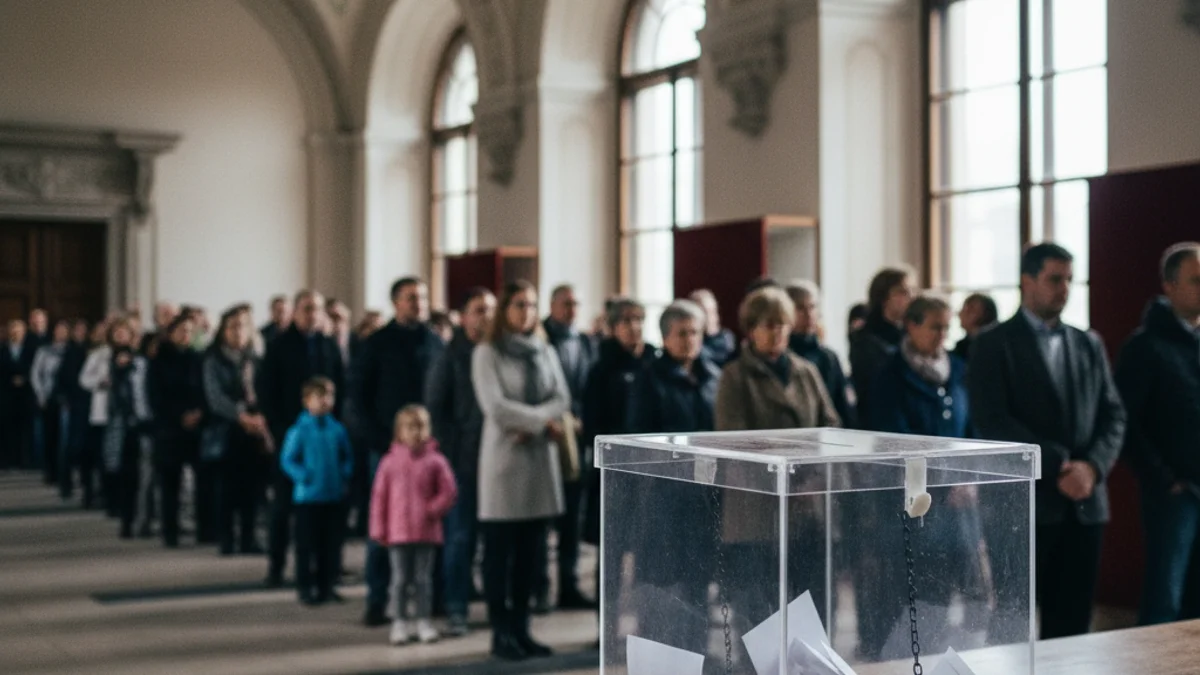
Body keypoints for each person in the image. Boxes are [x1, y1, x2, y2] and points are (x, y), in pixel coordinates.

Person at [969, 243, 1126, 639]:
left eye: (1069, 280)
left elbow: (1114, 414)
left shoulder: (1087, 342)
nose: (1064, 289)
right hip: (1025, 504)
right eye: (1055, 279)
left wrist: (1092, 467)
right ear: (1027, 281)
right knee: (1012, 622)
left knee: (1073, 624)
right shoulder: (992, 343)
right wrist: (1059, 464)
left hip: (1084, 503)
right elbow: (993, 421)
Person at [867, 295, 986, 657]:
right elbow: (893, 438)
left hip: (958, 503)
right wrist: (943, 484)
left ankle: (939, 657)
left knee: (950, 589)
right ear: (912, 325)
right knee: (911, 592)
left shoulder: (959, 369)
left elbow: (972, 428)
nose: (942, 336)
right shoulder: (890, 374)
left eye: (946, 327)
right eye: (935, 327)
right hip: (910, 504)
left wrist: (968, 476)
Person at [714, 287, 840, 629]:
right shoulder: (735, 376)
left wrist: (811, 478)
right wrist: (784, 480)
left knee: (811, 600)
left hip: (808, 501)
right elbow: (735, 442)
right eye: (769, 325)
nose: (777, 333)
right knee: (759, 608)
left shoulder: (806, 370)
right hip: (757, 507)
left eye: (783, 325)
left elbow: (830, 425)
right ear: (750, 329)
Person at [471, 280, 571, 660]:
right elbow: (495, 406)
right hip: (504, 464)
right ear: (504, 311)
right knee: (500, 556)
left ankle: (523, 629)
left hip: (538, 461)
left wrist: (536, 423)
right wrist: (541, 421)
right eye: (518, 305)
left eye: (531, 305)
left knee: (531, 557)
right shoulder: (487, 352)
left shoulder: (543, 349)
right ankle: (501, 632)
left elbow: (561, 396)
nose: (526, 312)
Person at [624, 299, 720, 654]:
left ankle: (695, 650)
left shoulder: (713, 375)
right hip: (665, 498)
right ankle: (662, 653)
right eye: (682, 333)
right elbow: (638, 436)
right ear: (665, 337)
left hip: (706, 496)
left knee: (698, 581)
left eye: (695, 332)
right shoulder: (649, 380)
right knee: (664, 583)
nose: (691, 340)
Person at [1116, 243, 1200, 625]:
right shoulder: (1145, 346)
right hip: (1174, 495)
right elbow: (1125, 423)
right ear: (1169, 285)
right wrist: (1165, 480)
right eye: (1197, 281)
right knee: (1165, 600)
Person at [356, 277, 445, 626]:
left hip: (429, 453)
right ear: (396, 303)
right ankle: (378, 600)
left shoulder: (436, 342)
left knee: (429, 527)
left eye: (422, 296)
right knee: (385, 528)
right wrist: (380, 442)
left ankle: (430, 599)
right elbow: (359, 398)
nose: (418, 303)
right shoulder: (376, 344)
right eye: (411, 298)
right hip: (388, 452)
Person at [258, 290, 345, 588]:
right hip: (292, 435)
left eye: (318, 309)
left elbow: (342, 387)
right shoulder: (280, 346)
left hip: (326, 437)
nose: (313, 314)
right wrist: (282, 430)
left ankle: (325, 571)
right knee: (283, 508)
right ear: (295, 312)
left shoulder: (328, 345)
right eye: (307, 309)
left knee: (326, 513)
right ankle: (276, 566)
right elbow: (266, 391)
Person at [426, 287, 496, 636]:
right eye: (479, 309)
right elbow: (436, 411)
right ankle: (455, 606)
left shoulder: (497, 352)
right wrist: (453, 457)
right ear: (464, 316)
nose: (486, 316)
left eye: (490, 309)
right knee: (460, 537)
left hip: (497, 461)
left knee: (492, 539)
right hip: (462, 462)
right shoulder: (450, 355)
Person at [370, 405, 457, 645]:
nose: (416, 432)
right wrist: (378, 529)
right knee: (399, 580)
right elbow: (379, 498)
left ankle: (423, 620)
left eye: (421, 427)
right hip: (397, 534)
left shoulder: (437, 461)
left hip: (426, 532)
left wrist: (432, 510)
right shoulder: (388, 463)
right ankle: (399, 621)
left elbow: (449, 491)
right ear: (399, 432)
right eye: (410, 427)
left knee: (423, 580)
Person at [581, 298, 659, 560]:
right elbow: (593, 422)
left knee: (648, 544)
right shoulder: (601, 370)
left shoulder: (653, 362)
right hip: (615, 467)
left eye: (639, 320)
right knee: (612, 544)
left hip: (650, 467)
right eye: (627, 320)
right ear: (613, 327)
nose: (634, 326)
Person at [538, 284, 596, 611]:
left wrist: (582, 418)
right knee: (544, 519)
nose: (572, 309)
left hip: (578, 437)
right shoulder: (541, 339)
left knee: (573, 518)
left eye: (576, 303)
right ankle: (539, 587)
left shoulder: (584, 341)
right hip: (548, 435)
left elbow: (587, 388)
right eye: (566, 303)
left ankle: (569, 584)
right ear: (552, 305)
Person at [202, 308, 271, 556]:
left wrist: (260, 416)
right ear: (224, 330)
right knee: (227, 490)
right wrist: (240, 416)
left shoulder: (257, 360)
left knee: (253, 488)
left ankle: (249, 537)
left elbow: (265, 391)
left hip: (254, 431)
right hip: (227, 431)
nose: (238, 331)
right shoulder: (213, 360)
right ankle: (227, 538)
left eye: (243, 326)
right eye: (233, 326)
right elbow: (215, 398)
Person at [280, 376, 354, 606]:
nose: (324, 402)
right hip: (308, 498)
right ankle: (305, 586)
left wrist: (344, 474)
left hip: (332, 495)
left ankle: (327, 585)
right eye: (319, 397)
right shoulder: (299, 430)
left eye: (328, 397)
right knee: (306, 545)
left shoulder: (337, 429)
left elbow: (347, 455)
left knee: (330, 545)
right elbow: (288, 459)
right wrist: (304, 476)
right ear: (307, 401)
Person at [149, 314, 206, 548]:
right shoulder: (159, 360)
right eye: (181, 330)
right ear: (171, 333)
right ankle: (170, 531)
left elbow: (204, 390)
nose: (185, 335)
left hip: (196, 427)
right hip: (169, 429)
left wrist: (198, 413)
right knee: (170, 483)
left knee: (202, 482)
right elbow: (155, 396)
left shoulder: (198, 359)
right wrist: (179, 416)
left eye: (189, 331)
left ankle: (204, 529)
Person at [80, 319, 139, 516]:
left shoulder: (136, 355)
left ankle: (124, 502)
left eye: (125, 332)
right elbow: (84, 380)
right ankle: (108, 498)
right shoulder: (100, 355)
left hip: (129, 414)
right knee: (108, 458)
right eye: (117, 332)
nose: (121, 336)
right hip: (106, 412)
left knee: (127, 460)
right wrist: (101, 381)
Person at [850, 267, 917, 429]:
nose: (911, 297)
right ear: (884, 297)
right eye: (903, 292)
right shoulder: (865, 338)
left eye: (912, 291)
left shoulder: (911, 334)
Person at [785, 280, 857, 428]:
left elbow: (844, 407)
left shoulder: (829, 357)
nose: (809, 314)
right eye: (800, 308)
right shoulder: (782, 356)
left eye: (812, 307)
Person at [105, 329, 153, 539]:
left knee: (146, 478)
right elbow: (117, 395)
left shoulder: (151, 367)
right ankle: (127, 521)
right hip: (128, 426)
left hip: (148, 425)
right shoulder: (124, 365)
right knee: (129, 477)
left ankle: (142, 521)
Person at [31, 320, 71, 486]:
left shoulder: (71, 351)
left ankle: (64, 472)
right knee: (49, 436)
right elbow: (35, 373)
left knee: (65, 438)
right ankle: (50, 470)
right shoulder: (44, 351)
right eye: (58, 330)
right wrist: (40, 395)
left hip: (66, 399)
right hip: (49, 397)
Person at [56, 319, 92, 501]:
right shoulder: (69, 352)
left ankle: (87, 485)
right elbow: (62, 377)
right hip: (73, 403)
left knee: (85, 446)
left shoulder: (90, 351)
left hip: (88, 404)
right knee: (69, 445)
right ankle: (66, 483)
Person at [1, 320, 36, 469]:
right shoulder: (3, 349)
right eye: (13, 330)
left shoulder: (31, 349)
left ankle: (25, 460)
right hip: (6, 394)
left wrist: (24, 379)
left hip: (25, 394)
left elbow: (35, 368)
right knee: (6, 429)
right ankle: (7, 460)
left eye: (19, 330)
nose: (16, 333)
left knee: (26, 429)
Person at [689, 289, 736, 366]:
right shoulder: (689, 343)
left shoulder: (730, 342)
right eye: (703, 312)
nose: (708, 318)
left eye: (711, 311)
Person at [952, 293, 999, 363]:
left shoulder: (1000, 344)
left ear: (985, 314)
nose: (960, 314)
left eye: (969, 310)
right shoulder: (962, 347)